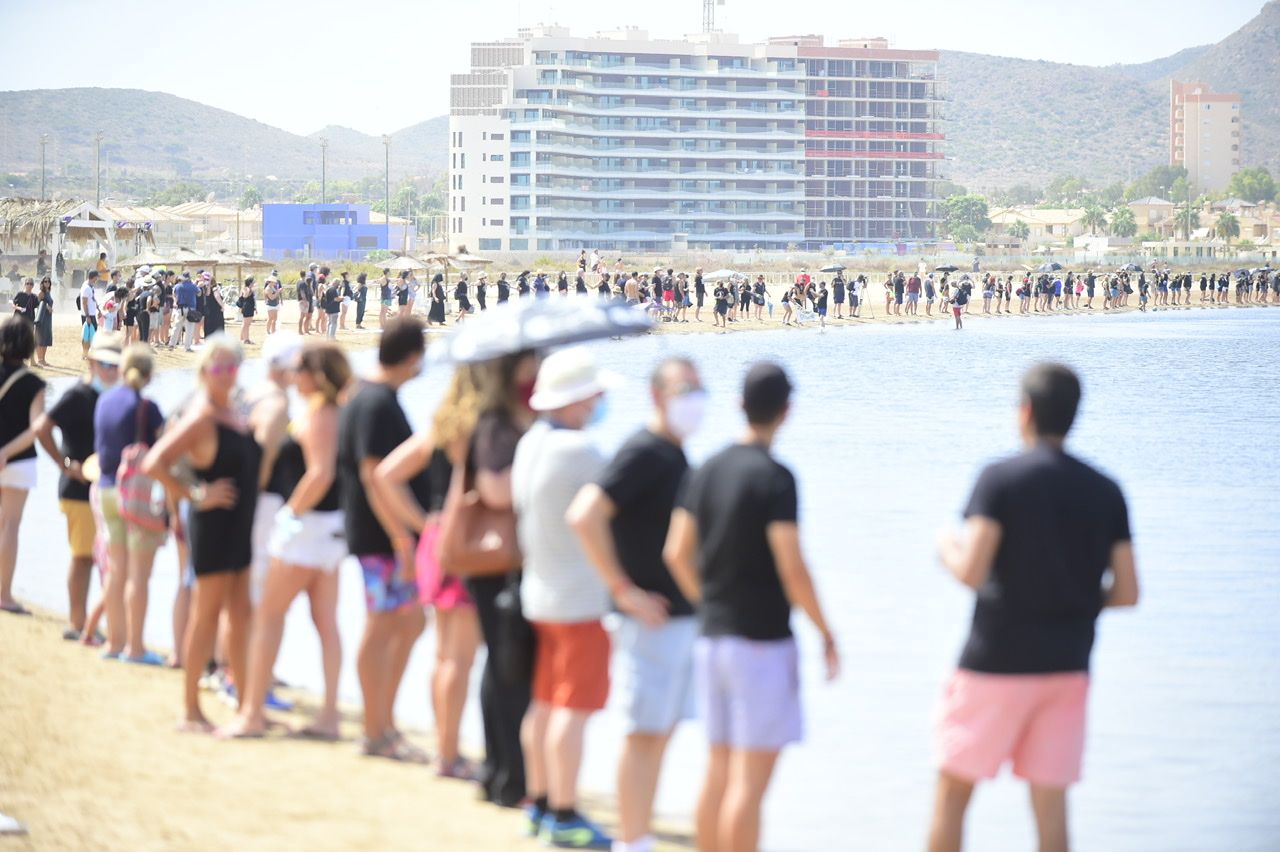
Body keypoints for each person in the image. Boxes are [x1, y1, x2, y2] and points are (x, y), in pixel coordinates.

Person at [928, 363, 1140, 852]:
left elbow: (971, 571)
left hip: (994, 662)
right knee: (1050, 806)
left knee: (954, 792)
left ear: (1024, 412)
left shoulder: (1000, 479)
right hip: (1067, 666)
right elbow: (1127, 592)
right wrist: (1075, 600)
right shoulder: (1106, 490)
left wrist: (945, 546)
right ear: (1073, 416)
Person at [664, 362, 840, 852]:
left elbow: (676, 552)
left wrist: (711, 602)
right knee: (750, 784)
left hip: (712, 638)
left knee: (718, 772)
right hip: (760, 643)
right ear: (787, 412)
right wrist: (826, 631)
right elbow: (793, 568)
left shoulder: (706, 469)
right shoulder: (776, 478)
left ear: (739, 404)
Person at [567, 358, 705, 852]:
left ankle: (639, 833)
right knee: (643, 734)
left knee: (660, 733)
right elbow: (585, 514)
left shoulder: (673, 453)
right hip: (650, 619)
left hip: (678, 619)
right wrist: (622, 589)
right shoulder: (645, 450)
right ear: (658, 396)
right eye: (684, 388)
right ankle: (634, 839)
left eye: (699, 388)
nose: (695, 398)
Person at [513, 346, 618, 849]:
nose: (599, 404)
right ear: (577, 400)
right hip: (578, 598)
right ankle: (564, 812)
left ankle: (537, 803)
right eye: (595, 396)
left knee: (544, 702)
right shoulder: (581, 451)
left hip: (539, 590)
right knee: (571, 710)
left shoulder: (531, 442)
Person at [221, 341, 352, 741]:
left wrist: (290, 513)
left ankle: (252, 714)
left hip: (307, 530)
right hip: (328, 530)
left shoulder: (320, 415)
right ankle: (328, 715)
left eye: (300, 370)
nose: (293, 377)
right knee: (326, 623)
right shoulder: (334, 412)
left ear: (316, 376)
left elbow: (321, 473)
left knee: (268, 618)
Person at [369, 366, 487, 778]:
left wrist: (423, 525)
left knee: (442, 655)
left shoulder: (438, 430)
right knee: (460, 658)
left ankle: (445, 748)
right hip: (465, 544)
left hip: (435, 544)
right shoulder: (479, 434)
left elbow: (385, 475)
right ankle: (449, 754)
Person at [143, 337, 260, 731]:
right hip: (211, 527)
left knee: (240, 617)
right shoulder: (202, 416)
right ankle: (190, 710)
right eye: (218, 369)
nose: (226, 375)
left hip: (240, 526)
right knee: (206, 617)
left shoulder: (235, 413)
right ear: (204, 372)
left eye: (232, 368)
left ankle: (247, 708)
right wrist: (195, 494)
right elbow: (154, 462)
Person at [337, 317, 430, 760]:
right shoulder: (375, 402)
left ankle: (384, 722)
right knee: (382, 627)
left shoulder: (366, 395)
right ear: (412, 357)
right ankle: (375, 729)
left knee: (409, 622)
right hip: (380, 537)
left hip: (380, 535)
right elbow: (374, 477)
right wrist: (403, 537)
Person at [34, 333, 121, 638]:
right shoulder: (78, 395)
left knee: (104, 560)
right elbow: (42, 427)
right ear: (93, 363)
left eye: (117, 365)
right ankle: (76, 623)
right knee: (82, 556)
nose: (113, 371)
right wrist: (63, 464)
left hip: (106, 489)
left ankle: (94, 625)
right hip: (78, 489)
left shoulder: (113, 396)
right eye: (107, 364)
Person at [92, 343, 168, 663]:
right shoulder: (147, 407)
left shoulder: (104, 399)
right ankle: (135, 648)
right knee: (139, 575)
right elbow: (166, 452)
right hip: (135, 497)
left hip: (106, 490)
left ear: (122, 369)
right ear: (149, 376)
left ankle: (113, 643)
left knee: (115, 570)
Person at [0, 316, 47, 614]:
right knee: (11, 525)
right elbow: (37, 428)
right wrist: (6, 452)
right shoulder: (34, 383)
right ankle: (3, 595)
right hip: (19, 461)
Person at [171, 273, 199, 351]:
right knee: (189, 328)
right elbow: (199, 293)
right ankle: (187, 347)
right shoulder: (193, 286)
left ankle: (172, 344)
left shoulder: (177, 286)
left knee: (176, 327)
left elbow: (174, 294)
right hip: (191, 309)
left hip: (180, 308)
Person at [80, 271, 101, 359]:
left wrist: (98, 309)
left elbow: (92, 299)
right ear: (93, 277)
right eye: (96, 277)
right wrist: (87, 316)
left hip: (91, 314)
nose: (97, 279)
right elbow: (84, 303)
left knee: (91, 334)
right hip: (88, 315)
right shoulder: (86, 288)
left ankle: (87, 353)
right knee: (87, 335)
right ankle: (85, 353)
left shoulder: (90, 286)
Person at [33, 277, 53, 368]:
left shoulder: (48, 292)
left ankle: (43, 359)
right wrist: (46, 307)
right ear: (42, 283)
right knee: (40, 339)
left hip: (48, 318)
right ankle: (39, 360)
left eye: (48, 281)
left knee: (46, 338)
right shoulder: (41, 293)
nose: (47, 283)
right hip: (41, 318)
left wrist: (50, 309)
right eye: (45, 281)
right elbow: (36, 304)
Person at [238, 277, 257, 345]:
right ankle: (246, 339)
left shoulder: (250, 289)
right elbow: (245, 296)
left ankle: (243, 338)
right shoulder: (245, 289)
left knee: (246, 324)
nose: (254, 284)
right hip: (247, 307)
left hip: (250, 307)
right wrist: (249, 289)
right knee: (246, 324)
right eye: (253, 282)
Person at [322, 274, 341, 339]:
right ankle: (332, 337)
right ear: (336, 283)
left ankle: (328, 337)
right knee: (333, 323)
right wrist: (341, 298)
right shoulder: (333, 289)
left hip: (328, 308)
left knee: (329, 323)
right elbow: (336, 299)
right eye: (338, 283)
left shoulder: (328, 289)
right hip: (333, 308)